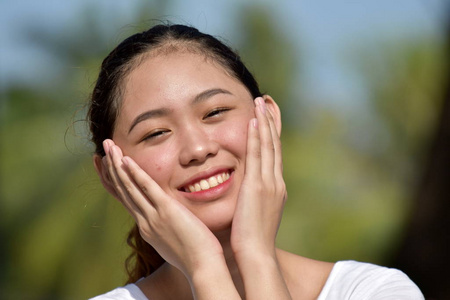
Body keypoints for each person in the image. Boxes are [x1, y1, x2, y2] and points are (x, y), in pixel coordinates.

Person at [88, 23, 424, 299]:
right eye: (156, 133)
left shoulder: (372, 291)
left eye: (215, 112)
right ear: (109, 175)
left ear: (270, 118)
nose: (197, 149)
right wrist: (205, 267)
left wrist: (255, 255)